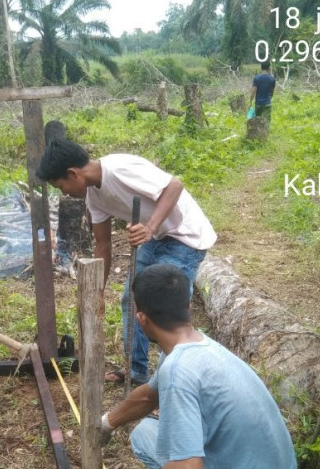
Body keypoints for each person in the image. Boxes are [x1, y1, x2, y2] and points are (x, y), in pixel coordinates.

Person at [101, 263, 298, 469]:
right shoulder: (199, 347)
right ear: (188, 305)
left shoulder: (180, 372)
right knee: (148, 431)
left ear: (141, 319)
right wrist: (106, 423)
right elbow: (149, 396)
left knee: (145, 439)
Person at [36, 138, 217, 386]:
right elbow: (103, 244)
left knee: (168, 309)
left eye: (61, 186)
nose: (64, 193)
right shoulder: (94, 197)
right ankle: (136, 371)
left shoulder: (120, 168)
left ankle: (176, 382)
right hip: (157, 237)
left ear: (72, 173)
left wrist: (150, 227)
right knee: (132, 299)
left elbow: (174, 185)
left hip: (185, 236)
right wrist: (99, 289)